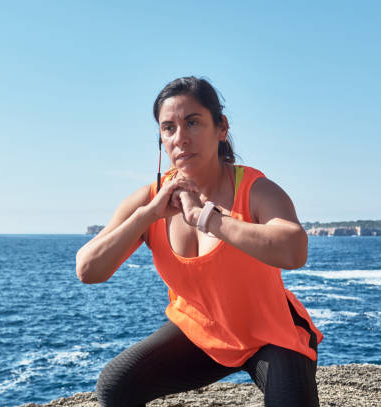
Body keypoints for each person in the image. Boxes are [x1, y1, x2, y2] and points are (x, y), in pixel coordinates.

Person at [75, 76, 323, 407]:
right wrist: (147, 215)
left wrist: (208, 219)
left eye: (193, 122)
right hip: (201, 332)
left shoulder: (255, 189)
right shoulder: (152, 199)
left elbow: (294, 250)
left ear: (221, 128)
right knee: (115, 385)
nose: (181, 138)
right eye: (168, 128)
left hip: (272, 335)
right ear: (160, 139)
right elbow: (88, 269)